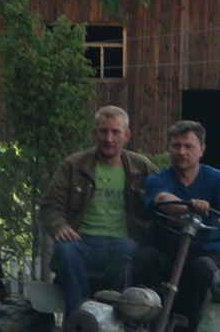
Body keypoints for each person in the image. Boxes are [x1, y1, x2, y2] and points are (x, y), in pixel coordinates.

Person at [133, 119, 220, 331]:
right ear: (169, 148)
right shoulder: (158, 180)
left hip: (204, 255)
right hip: (167, 253)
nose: (182, 151)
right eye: (176, 146)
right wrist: (189, 207)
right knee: (144, 259)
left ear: (201, 150)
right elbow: (163, 201)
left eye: (188, 146)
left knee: (201, 270)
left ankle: (188, 330)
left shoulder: (218, 179)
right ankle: (142, 319)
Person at [40, 106, 157, 309]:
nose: (108, 138)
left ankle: (116, 318)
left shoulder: (142, 168)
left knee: (128, 251)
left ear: (126, 135)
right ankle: (80, 316)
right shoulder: (73, 165)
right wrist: (60, 227)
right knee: (64, 251)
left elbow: (165, 196)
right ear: (94, 134)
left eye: (115, 132)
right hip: (82, 242)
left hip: (122, 243)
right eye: (103, 131)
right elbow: (51, 205)